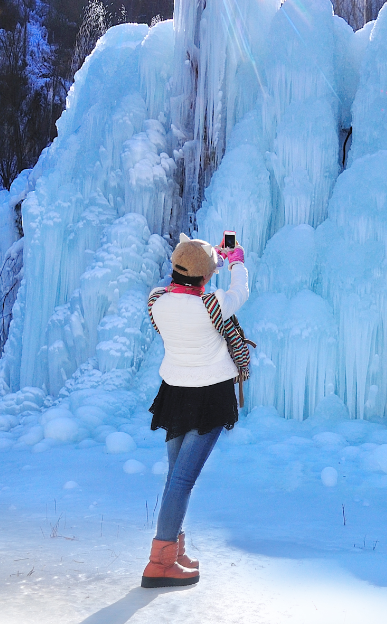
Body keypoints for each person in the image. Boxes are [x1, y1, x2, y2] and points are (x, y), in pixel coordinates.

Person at [140, 233, 248, 588]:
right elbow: (240, 293)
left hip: (174, 393)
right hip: (209, 396)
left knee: (176, 477)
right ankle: (160, 562)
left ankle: (174, 548)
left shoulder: (156, 301)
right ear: (205, 278)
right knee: (183, 480)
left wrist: (202, 259)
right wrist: (235, 260)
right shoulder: (211, 305)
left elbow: (180, 288)